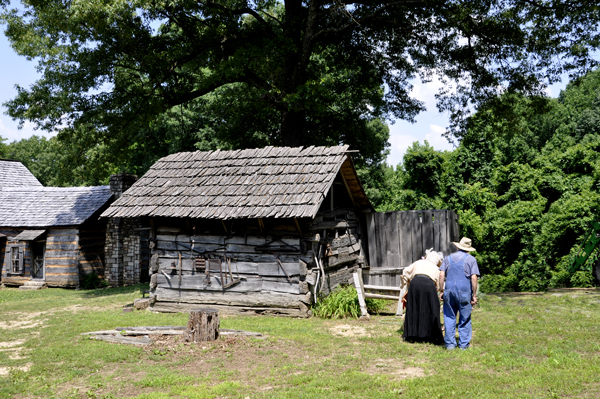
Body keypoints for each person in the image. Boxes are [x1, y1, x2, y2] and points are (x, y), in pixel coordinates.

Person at [439, 237, 480, 350]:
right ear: (468, 249)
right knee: (465, 318)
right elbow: (474, 277)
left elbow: (441, 275)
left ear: (458, 246)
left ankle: (450, 345)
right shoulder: (471, 260)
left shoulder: (448, 258)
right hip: (464, 292)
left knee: (449, 316)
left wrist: (441, 290)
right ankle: (463, 345)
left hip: (449, 291)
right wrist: (474, 295)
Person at [401, 249, 444, 345]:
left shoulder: (419, 262)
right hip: (429, 284)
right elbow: (437, 283)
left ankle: (412, 335)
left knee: (414, 307)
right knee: (432, 309)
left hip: (415, 283)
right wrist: (437, 290)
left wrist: (406, 282)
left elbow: (405, 271)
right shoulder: (436, 268)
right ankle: (430, 335)